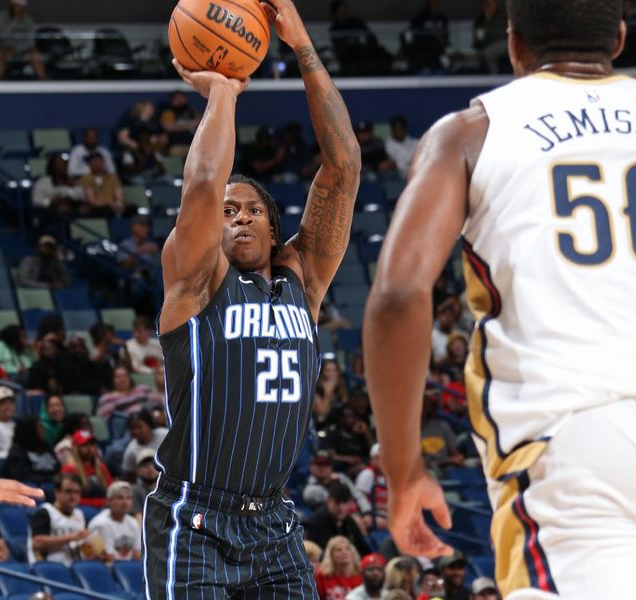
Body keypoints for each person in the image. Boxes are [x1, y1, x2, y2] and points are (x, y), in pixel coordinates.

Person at [363, 1, 636, 597]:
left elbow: (397, 294)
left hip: (574, 440)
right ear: (620, 38)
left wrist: (403, 469)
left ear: (515, 46)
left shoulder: (472, 131)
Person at [144, 1, 361, 594]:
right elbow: (204, 184)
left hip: (275, 519)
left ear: (274, 227)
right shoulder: (195, 283)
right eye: (228, 214)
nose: (236, 219)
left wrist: (303, 49)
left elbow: (342, 168)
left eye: (252, 210)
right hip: (194, 515)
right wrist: (224, 92)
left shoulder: (303, 281)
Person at [29, 473, 90, 565]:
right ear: (57, 492)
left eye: (77, 492)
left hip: (75, 566)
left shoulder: (80, 514)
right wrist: (73, 537)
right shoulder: (45, 512)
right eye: (68, 491)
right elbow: (37, 543)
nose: (73, 496)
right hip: (50, 566)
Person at [305, 480, 372, 557]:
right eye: (337, 502)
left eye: (345, 502)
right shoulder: (317, 521)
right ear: (328, 501)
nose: (341, 508)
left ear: (350, 503)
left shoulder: (349, 521)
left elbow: (364, 549)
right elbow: (322, 554)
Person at [87, 481, 142, 561]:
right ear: (108, 501)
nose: (125, 502)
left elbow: (137, 554)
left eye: (128, 498)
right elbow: (108, 557)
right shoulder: (100, 523)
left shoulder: (133, 522)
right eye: (120, 498)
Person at [0, 0, 45, 80]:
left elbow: (30, 40)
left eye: (19, 6)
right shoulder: (1, 15)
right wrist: (15, 21)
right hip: (4, 46)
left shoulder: (28, 19)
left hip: (22, 48)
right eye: (14, 5)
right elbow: (2, 35)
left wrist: (16, 49)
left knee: (35, 55)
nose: (16, 8)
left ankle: (43, 82)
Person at [61, 430, 113, 508]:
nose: (89, 448)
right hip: (81, 507)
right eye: (84, 445)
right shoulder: (69, 469)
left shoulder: (101, 467)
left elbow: (111, 490)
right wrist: (98, 503)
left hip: (103, 506)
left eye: (92, 445)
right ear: (76, 448)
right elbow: (69, 497)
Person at [31, 154, 87, 223]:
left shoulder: (71, 181)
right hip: (50, 213)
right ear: (53, 167)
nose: (65, 166)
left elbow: (82, 196)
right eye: (61, 164)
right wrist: (51, 201)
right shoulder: (44, 181)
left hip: (72, 209)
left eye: (65, 164)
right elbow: (37, 201)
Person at [4, 417, 60, 484]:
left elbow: (57, 467)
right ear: (29, 429)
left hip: (53, 484)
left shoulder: (45, 446)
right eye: (39, 427)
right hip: (34, 486)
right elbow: (21, 476)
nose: (43, 429)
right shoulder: (17, 451)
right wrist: (49, 479)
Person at [117, 410, 166, 478]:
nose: (136, 431)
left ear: (149, 425)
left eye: (139, 426)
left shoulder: (164, 435)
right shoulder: (131, 450)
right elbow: (128, 473)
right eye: (132, 428)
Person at [314, 535, 362, 600]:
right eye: (339, 550)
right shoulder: (321, 576)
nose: (344, 552)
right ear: (331, 555)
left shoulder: (362, 574)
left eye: (347, 549)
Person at [158, 90, 201, 157]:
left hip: (193, 145)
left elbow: (200, 124)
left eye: (182, 98)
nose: (180, 101)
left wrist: (179, 126)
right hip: (176, 145)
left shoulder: (192, 112)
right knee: (176, 153)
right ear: (172, 101)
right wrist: (189, 125)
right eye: (177, 99)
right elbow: (169, 127)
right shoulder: (169, 113)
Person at [473, 0, 509, 74]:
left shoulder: (503, 16)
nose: (489, 6)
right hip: (487, 45)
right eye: (487, 4)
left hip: (505, 43)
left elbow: (501, 33)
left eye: (492, 3)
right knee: (482, 53)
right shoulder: (480, 19)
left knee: (490, 51)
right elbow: (478, 37)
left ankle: (494, 76)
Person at [130, 448, 158, 515]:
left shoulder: (166, 489)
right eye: (145, 465)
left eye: (153, 464)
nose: (150, 468)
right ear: (137, 470)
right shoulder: (135, 491)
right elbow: (138, 517)